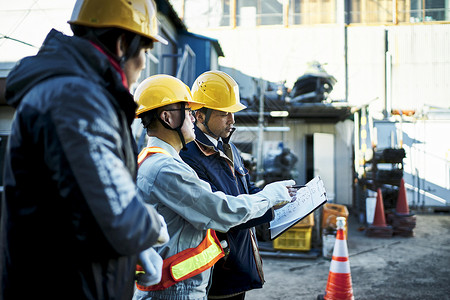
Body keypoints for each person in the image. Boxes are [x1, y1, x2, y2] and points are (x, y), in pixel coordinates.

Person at [0, 0, 169, 299]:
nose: (143, 63)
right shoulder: (76, 99)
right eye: (144, 51)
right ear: (122, 43)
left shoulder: (75, 93)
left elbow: (81, 204)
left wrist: (134, 250)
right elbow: (113, 219)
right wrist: (150, 226)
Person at [132, 74, 297, 300]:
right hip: (175, 290)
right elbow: (221, 210)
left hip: (181, 286)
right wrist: (269, 197)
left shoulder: (164, 161)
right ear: (167, 117)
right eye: (188, 112)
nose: (192, 118)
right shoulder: (165, 168)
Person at [180, 70, 273, 299]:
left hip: (239, 268)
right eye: (224, 113)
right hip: (216, 274)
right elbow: (220, 216)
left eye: (232, 112)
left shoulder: (230, 150)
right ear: (199, 115)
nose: (232, 120)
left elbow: (247, 191)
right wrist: (267, 204)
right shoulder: (189, 157)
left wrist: (279, 199)